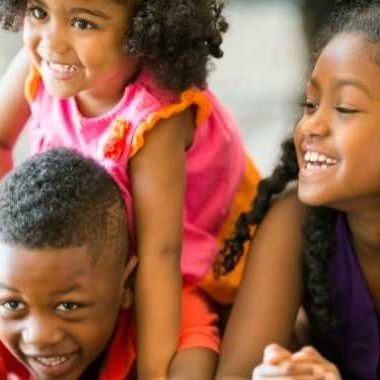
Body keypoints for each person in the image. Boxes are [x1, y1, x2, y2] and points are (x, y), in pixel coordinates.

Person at [0, 0, 260, 378]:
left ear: (143, 30)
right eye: (39, 12)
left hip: (183, 262)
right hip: (85, 251)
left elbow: (161, 254)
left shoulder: (156, 118)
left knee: (190, 347)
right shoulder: (42, 62)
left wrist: (154, 372)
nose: (51, 41)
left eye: (83, 23)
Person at [216, 2, 380, 379]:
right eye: (310, 104)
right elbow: (237, 374)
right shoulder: (293, 223)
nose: (310, 126)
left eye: (346, 108)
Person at [0, 148, 220, 380]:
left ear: (127, 284)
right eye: (13, 304)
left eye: (68, 306)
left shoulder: (171, 317)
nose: (39, 336)